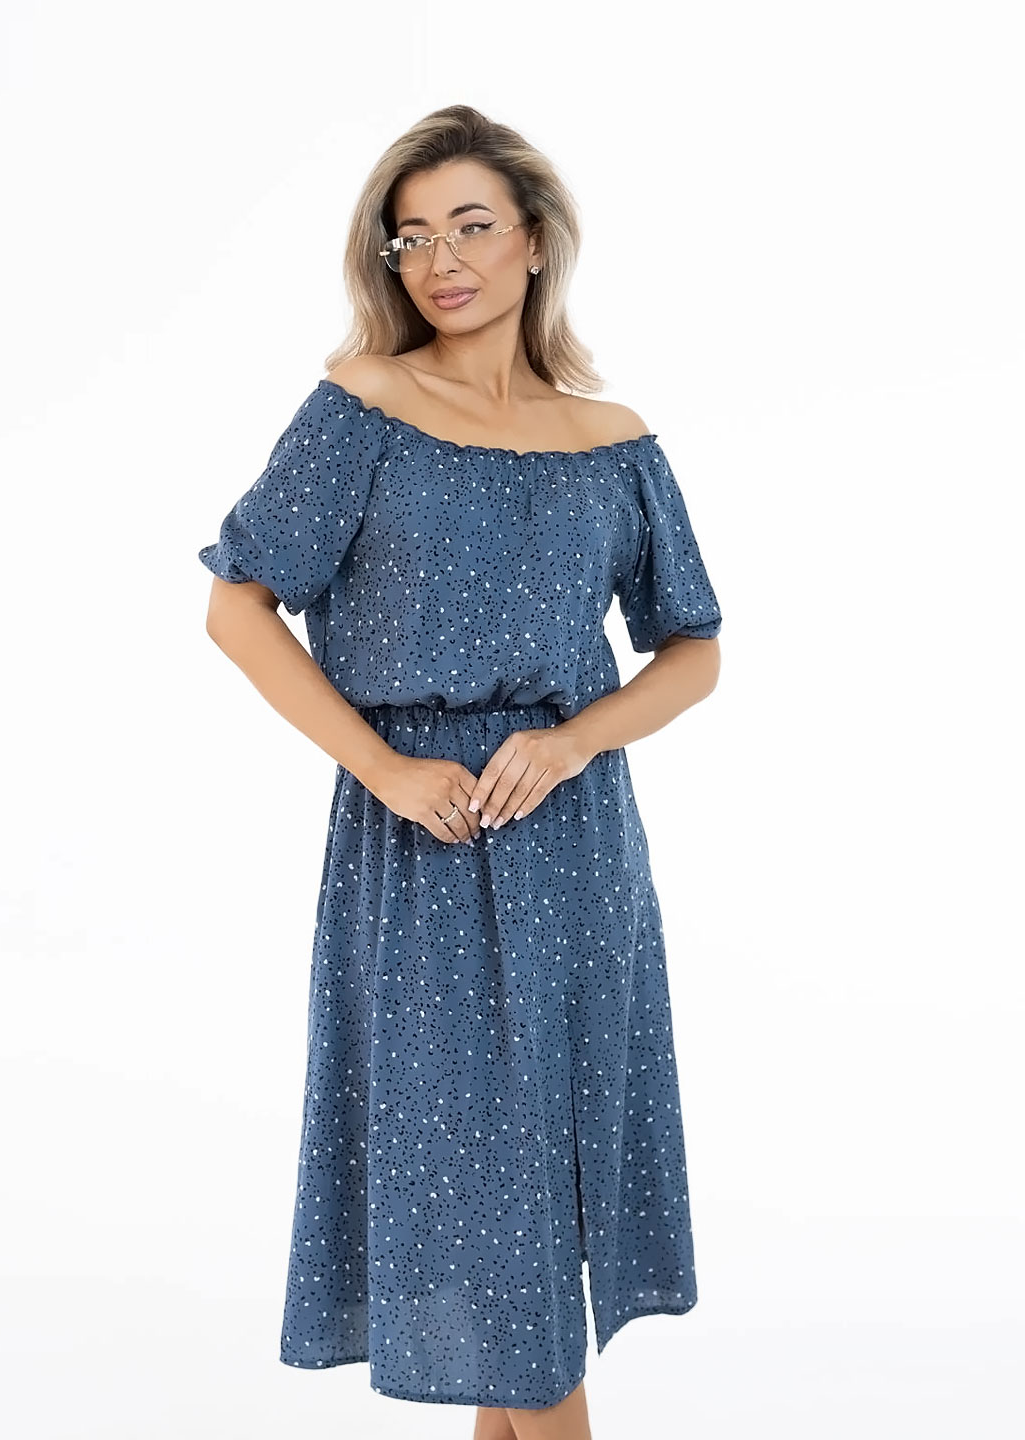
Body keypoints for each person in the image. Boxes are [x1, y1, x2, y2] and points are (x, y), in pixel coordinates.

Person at [198, 104, 723, 1440]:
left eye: (472, 226)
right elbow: (237, 607)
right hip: (422, 853)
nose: (442, 260)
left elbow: (693, 651)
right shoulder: (362, 408)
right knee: (492, 1233)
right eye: (413, 236)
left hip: (580, 852)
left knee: (533, 1225)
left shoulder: (611, 437)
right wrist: (382, 767)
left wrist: (575, 738)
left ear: (536, 241)